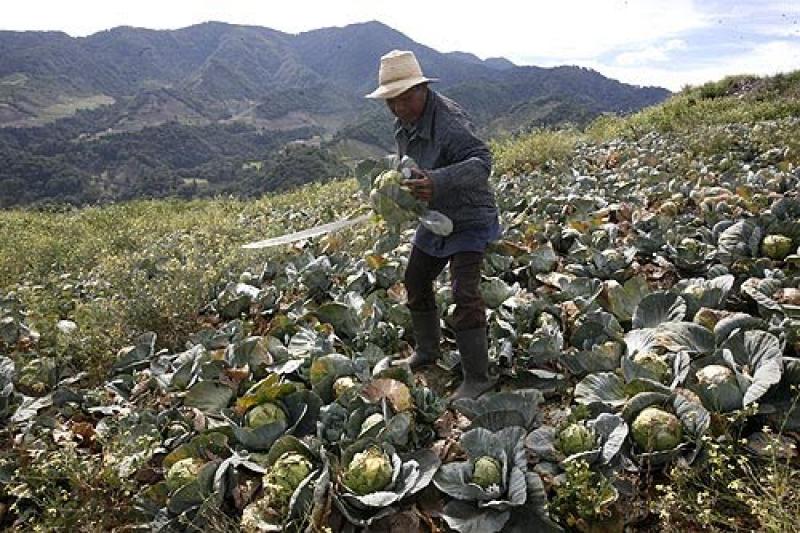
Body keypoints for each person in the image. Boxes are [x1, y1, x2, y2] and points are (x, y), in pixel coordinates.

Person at [366, 50, 501, 400]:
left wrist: (438, 180)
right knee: (415, 278)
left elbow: (482, 163)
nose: (398, 108)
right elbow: (408, 168)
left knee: (464, 292)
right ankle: (428, 351)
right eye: (391, 102)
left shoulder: (450, 123)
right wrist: (396, 197)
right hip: (435, 216)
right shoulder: (403, 125)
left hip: (469, 216)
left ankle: (478, 377)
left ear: (422, 89)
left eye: (405, 98)